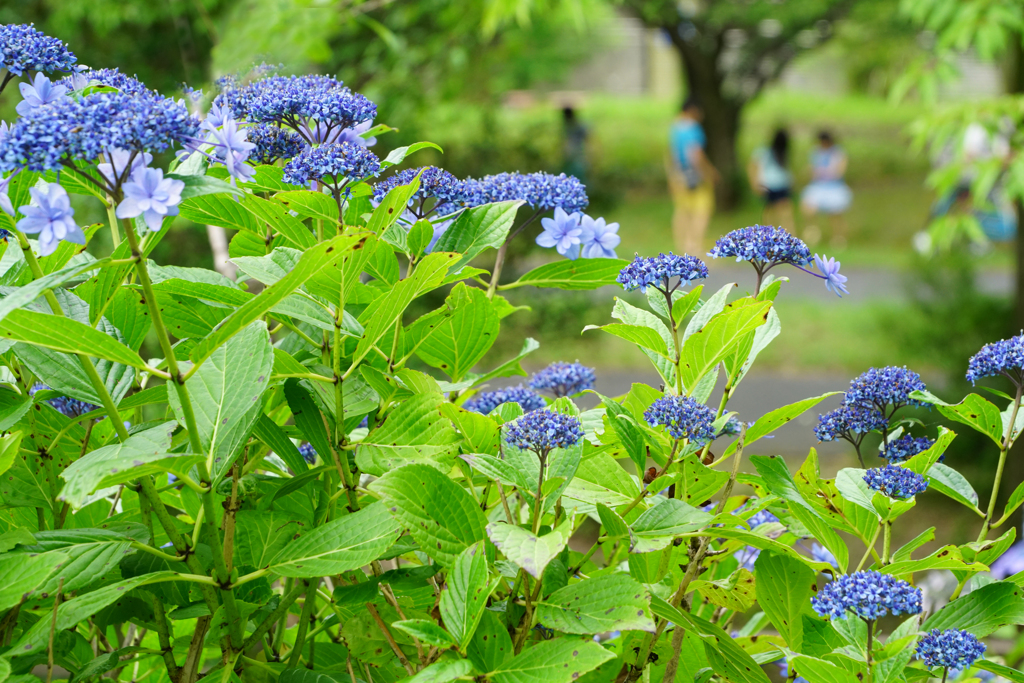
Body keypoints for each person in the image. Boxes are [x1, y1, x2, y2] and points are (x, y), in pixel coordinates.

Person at [667, 96, 718, 255]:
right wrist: (709, 173)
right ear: (693, 110)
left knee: (682, 210)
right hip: (694, 175)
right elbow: (694, 154)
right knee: (702, 210)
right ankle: (695, 246)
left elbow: (670, 154)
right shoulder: (693, 128)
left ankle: (682, 246)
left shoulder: (675, 127)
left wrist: (671, 176)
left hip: (678, 174)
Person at [800, 130, 852, 247]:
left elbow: (840, 171)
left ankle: (839, 239)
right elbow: (811, 170)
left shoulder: (838, 153)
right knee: (809, 209)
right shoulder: (816, 152)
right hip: (818, 186)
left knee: (835, 214)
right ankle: (813, 235)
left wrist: (826, 172)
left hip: (834, 186)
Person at [747, 128, 794, 229]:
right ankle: (789, 235)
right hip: (779, 184)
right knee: (784, 213)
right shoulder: (776, 152)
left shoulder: (764, 151)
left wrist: (754, 183)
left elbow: (752, 166)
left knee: (770, 213)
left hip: (769, 184)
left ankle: (770, 236)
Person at [562, 106, 589, 184]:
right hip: (573, 156)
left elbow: (587, 142)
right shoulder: (570, 126)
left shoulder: (577, 126)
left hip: (579, 155)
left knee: (579, 176)